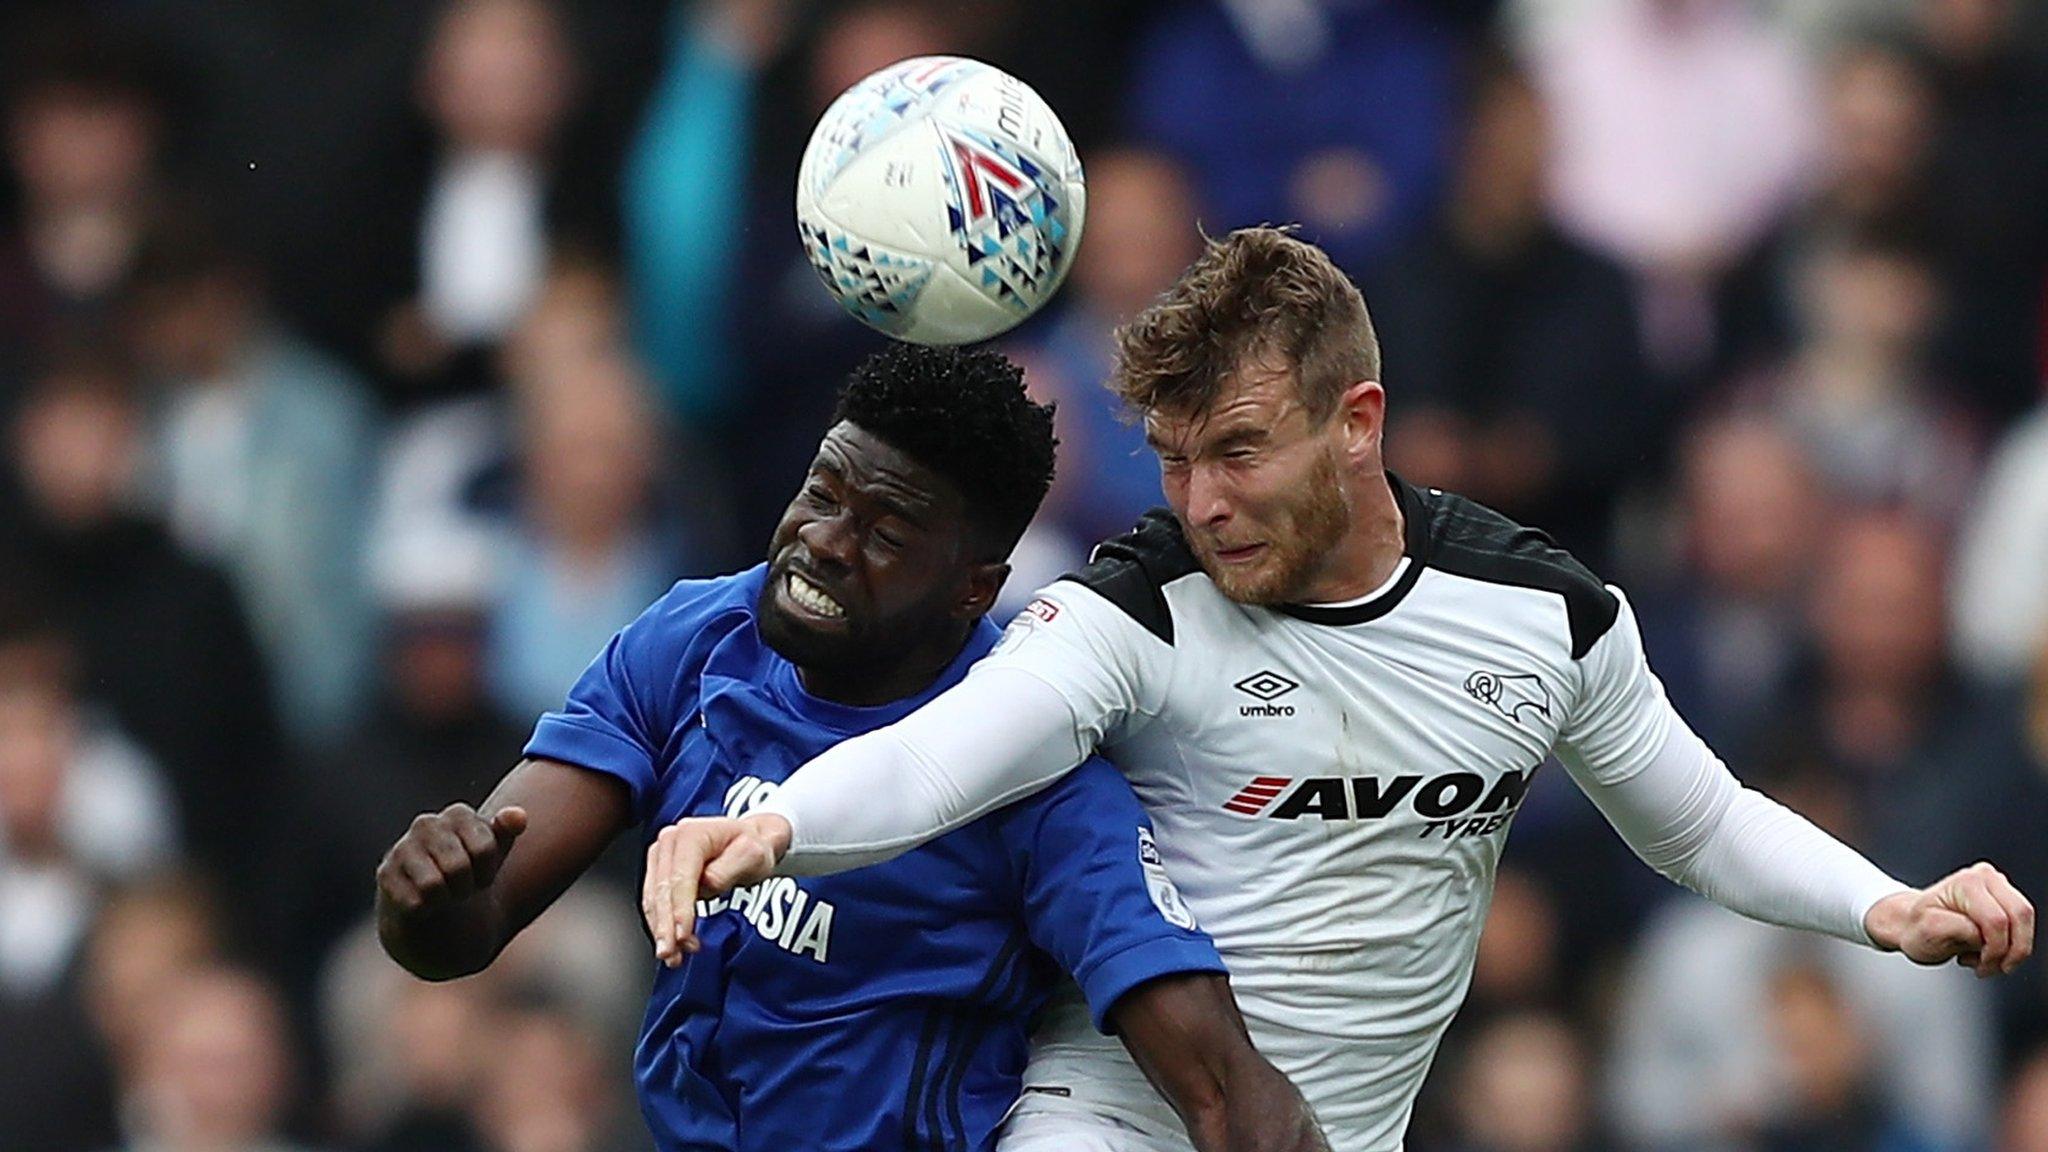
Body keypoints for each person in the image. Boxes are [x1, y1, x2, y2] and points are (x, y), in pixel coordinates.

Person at [651, 227, 2036, 1152]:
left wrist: (1886, 905)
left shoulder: (1542, 614)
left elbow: (1699, 822)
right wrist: (773, 826)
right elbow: (953, 751)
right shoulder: (1136, 609)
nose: (1200, 502)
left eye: (1239, 451)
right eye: (1175, 458)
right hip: (1107, 1120)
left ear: (1356, 422)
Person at [375, 344, 1324, 1152]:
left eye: (886, 533)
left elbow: (1227, 1093)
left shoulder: (1036, 772)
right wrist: (423, 899)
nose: (826, 543)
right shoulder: (694, 640)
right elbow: (470, 926)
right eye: (823, 493)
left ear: (970, 588)